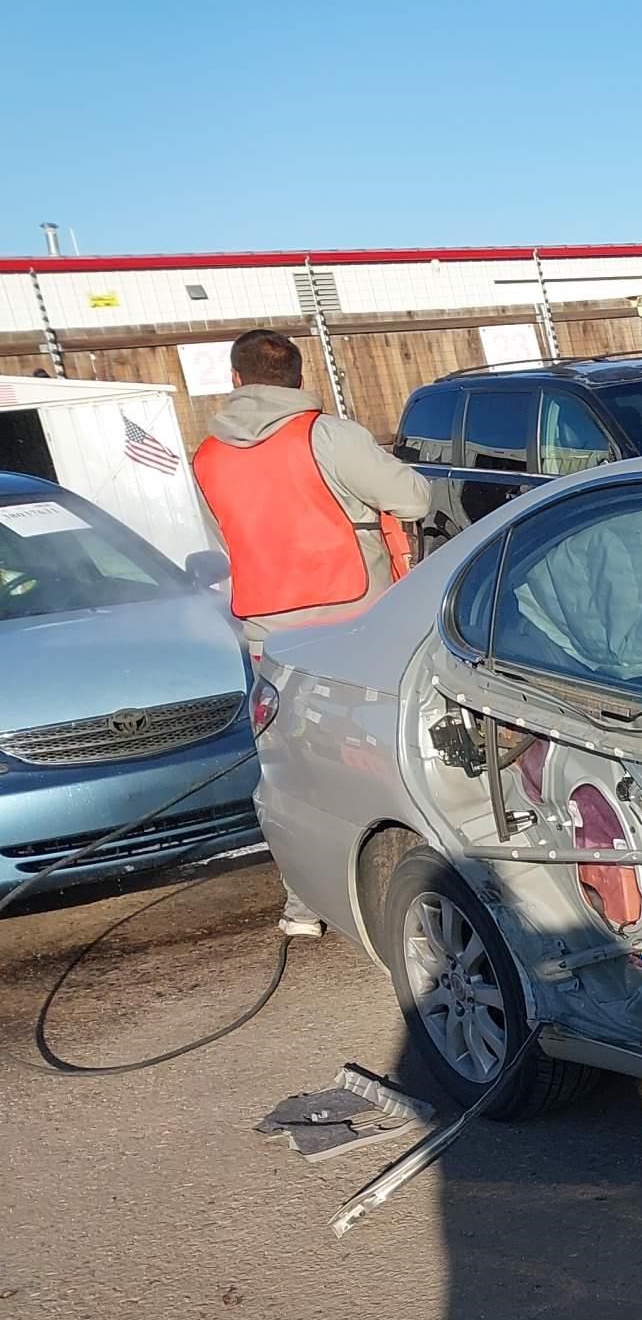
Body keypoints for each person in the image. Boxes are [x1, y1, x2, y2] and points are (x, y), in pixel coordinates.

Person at [193, 328, 429, 936]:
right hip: (356, 623)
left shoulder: (209, 456)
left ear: (236, 380)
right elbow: (413, 499)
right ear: (299, 379)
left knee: (288, 767)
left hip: (269, 635)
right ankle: (414, 881)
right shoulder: (327, 435)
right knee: (379, 756)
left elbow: (226, 542)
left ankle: (304, 902)